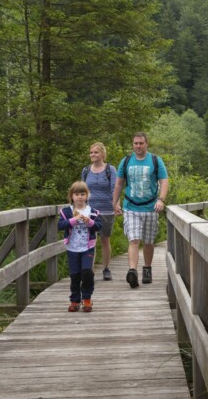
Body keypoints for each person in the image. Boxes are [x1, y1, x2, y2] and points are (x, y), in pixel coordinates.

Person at [112, 132, 169, 289]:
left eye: (141, 143)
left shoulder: (156, 160)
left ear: (146, 144)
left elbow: (164, 182)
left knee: (148, 242)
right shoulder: (126, 161)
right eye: (135, 143)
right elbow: (119, 184)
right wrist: (114, 203)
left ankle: (147, 269)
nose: (138, 146)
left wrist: (161, 200)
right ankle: (132, 271)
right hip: (131, 207)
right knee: (134, 239)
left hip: (150, 207)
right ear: (133, 144)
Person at [58, 181, 102, 312]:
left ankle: (87, 298)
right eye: (76, 194)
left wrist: (89, 222)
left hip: (87, 247)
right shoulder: (66, 211)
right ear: (72, 196)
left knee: (87, 271)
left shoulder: (92, 212)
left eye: (82, 194)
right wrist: (74, 220)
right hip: (72, 247)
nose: (80, 197)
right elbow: (60, 225)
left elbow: (99, 226)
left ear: (87, 196)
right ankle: (75, 300)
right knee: (75, 274)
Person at [81, 142, 118, 281]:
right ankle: (89, 270)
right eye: (91, 152)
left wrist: (117, 205)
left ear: (102, 154)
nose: (93, 155)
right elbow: (82, 190)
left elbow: (115, 188)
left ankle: (106, 269)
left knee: (105, 240)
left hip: (107, 210)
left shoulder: (110, 170)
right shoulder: (86, 170)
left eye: (96, 152)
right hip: (90, 211)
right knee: (90, 241)